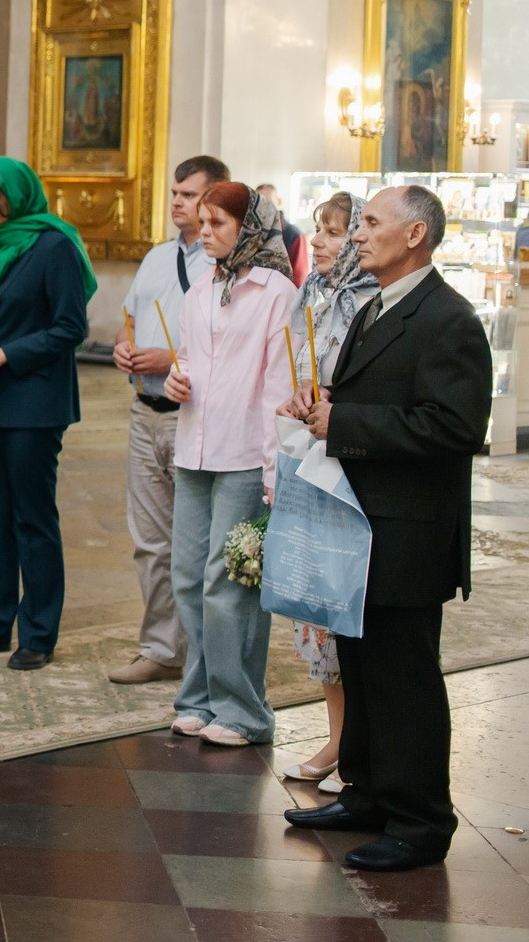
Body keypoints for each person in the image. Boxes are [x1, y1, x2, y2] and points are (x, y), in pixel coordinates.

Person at [284, 186, 491, 872]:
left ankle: (421, 822)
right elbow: (379, 398)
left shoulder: (449, 318)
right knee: (363, 668)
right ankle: (368, 793)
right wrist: (325, 406)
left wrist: (344, 422)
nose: (357, 234)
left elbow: (455, 426)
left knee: (405, 680)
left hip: (409, 533)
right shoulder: (378, 305)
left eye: (371, 223)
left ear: (415, 235)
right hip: (361, 526)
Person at [162, 183, 295, 748]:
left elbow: (279, 386)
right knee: (188, 576)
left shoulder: (276, 292)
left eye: (218, 223)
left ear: (250, 227)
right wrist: (176, 379)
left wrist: (273, 469)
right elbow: (191, 359)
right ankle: (198, 698)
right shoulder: (202, 285)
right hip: (194, 448)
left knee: (229, 581)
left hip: (244, 454)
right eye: (202, 223)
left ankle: (243, 711)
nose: (205, 233)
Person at [0, 157, 93, 671]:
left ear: (18, 193)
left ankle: (38, 633)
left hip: (34, 403)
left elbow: (71, 327)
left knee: (32, 517)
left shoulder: (55, 246)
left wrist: (5, 356)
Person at [108, 154, 229, 685]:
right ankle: (161, 647)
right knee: (151, 540)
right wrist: (124, 346)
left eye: (188, 195)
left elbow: (229, 347)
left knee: (196, 543)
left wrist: (169, 359)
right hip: (145, 413)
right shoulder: (158, 256)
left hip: (194, 415)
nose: (176, 202)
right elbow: (130, 320)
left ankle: (204, 655)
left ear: (213, 197)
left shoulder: (224, 262)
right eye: (174, 193)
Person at [278, 192, 376, 790]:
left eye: (336, 232)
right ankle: (337, 736)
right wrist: (297, 396)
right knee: (314, 605)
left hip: (353, 462)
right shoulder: (311, 294)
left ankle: (358, 743)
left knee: (347, 602)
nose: (318, 241)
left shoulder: (372, 301)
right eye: (319, 230)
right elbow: (296, 366)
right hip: (308, 454)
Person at [257, 183, 312, 286]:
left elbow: (299, 280)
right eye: (260, 202)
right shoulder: (253, 234)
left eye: (269, 201)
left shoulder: (295, 235)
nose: (264, 206)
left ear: (278, 201)